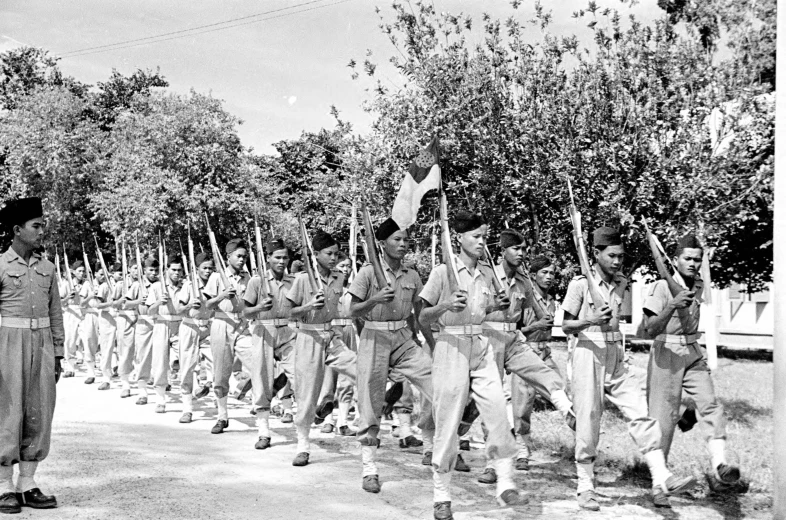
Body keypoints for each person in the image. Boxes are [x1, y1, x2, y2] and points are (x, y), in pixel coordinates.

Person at [561, 226, 696, 511]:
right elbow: (566, 326)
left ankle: (662, 476)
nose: (617, 261)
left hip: (615, 355)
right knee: (589, 420)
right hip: (588, 351)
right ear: (596, 254)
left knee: (639, 412)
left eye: (621, 256)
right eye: (611, 255)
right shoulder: (580, 284)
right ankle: (585, 487)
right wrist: (591, 319)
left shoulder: (622, 281)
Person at [419, 210, 520, 520]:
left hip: (480, 344)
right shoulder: (442, 272)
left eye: (484, 236)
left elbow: (482, 308)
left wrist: (495, 306)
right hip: (450, 346)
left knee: (497, 410)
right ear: (458, 238)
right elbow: (423, 317)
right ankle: (442, 494)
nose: (481, 241)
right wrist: (446, 305)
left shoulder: (487, 273)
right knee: (448, 422)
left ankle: (505, 482)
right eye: (476, 236)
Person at [643, 233, 741, 502]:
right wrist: (673, 304)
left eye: (697, 260)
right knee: (663, 420)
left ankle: (720, 465)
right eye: (687, 259)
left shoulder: (698, 284)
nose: (693, 264)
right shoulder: (661, 286)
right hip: (666, 353)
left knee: (710, 404)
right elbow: (648, 329)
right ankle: (659, 484)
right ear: (675, 260)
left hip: (693, 353)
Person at [474, 231, 574, 485]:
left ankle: (567, 409)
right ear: (502, 250)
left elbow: (536, 310)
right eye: (516, 248)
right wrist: (492, 307)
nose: (521, 253)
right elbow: (472, 311)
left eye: (524, 249)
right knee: (491, 400)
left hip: (514, 338)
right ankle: (491, 463)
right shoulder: (486, 275)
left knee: (541, 370)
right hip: (489, 339)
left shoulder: (524, 281)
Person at [348, 217, 434, 494]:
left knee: (436, 382)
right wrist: (374, 300)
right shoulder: (367, 273)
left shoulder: (412, 275)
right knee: (370, 403)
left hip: (404, 338)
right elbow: (352, 310)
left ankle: (433, 446)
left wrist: (431, 342)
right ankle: (369, 467)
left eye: (406, 239)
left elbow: (420, 314)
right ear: (382, 243)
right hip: (374, 337)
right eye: (396, 239)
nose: (402, 244)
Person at [0, 197, 64, 513]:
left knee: (39, 412)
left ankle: (27, 483)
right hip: (7, 346)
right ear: (16, 230)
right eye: (36, 226)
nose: (41, 232)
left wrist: (59, 353)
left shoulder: (48, 268)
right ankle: (3, 487)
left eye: (42, 226)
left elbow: (56, 313)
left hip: (42, 346)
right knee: (8, 414)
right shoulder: (0, 266)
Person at [286, 229, 357, 467]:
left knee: (359, 367)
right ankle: (303, 444)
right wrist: (308, 305)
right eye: (329, 254)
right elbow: (288, 311)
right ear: (316, 254)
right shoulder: (303, 279)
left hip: (332, 335)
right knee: (306, 393)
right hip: (309, 337)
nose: (334, 258)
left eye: (337, 254)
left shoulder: (338, 277)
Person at [509, 254, 566, 471]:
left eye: (552, 273)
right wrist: (536, 326)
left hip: (546, 353)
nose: (549, 277)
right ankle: (522, 451)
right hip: (525, 352)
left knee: (560, 391)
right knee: (522, 406)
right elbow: (515, 330)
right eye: (544, 272)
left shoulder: (551, 300)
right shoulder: (525, 298)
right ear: (533, 275)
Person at [242, 239, 297, 448]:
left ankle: (297, 418)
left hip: (288, 331)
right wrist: (259, 308)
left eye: (285, 257)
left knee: (298, 372)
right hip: (263, 329)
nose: (282, 261)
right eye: (277, 257)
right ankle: (264, 431)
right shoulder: (257, 282)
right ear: (268, 258)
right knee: (262, 379)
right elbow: (245, 312)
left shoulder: (293, 281)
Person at [203, 238, 252, 434]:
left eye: (244, 257)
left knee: (256, 358)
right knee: (221, 373)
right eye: (238, 256)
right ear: (228, 257)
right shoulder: (216, 277)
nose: (241, 260)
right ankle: (222, 416)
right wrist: (222, 295)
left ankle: (242, 387)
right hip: (221, 323)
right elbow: (208, 305)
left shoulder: (248, 278)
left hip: (241, 324)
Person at [314, 251, 357, 436]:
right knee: (328, 377)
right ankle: (328, 419)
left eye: (348, 266)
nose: (346, 270)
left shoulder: (354, 289)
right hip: (332, 331)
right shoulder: (326, 286)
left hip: (349, 330)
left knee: (347, 379)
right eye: (342, 266)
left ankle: (343, 422)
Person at [146, 255, 188, 413]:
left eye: (179, 270)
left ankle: (186, 397)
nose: (177, 273)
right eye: (173, 270)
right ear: (167, 270)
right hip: (161, 324)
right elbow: (150, 311)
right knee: (159, 362)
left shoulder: (185, 286)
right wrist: (159, 302)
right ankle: (160, 398)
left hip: (180, 324)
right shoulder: (157, 287)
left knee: (186, 360)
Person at [177, 252, 215, 423]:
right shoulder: (188, 286)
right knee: (187, 367)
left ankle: (209, 387)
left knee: (217, 360)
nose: (207, 271)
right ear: (197, 269)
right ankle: (187, 409)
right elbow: (178, 309)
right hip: (190, 326)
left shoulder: (216, 284)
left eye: (210, 268)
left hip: (209, 327)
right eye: (204, 268)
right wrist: (189, 305)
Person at [129, 257, 159, 403]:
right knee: (143, 356)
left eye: (155, 270)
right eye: (150, 270)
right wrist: (138, 301)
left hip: (160, 322)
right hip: (143, 322)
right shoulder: (137, 285)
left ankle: (161, 385)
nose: (153, 273)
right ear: (144, 271)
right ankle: (142, 390)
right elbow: (126, 303)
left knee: (161, 356)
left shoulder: (161, 285)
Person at [95, 262, 124, 391]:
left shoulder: (125, 285)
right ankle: (106, 378)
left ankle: (124, 377)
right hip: (107, 318)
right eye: (120, 273)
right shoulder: (105, 286)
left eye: (124, 273)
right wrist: (112, 303)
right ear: (112, 274)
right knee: (107, 348)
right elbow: (98, 304)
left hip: (121, 317)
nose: (122, 276)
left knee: (124, 347)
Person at [77, 265, 103, 384]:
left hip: (105, 314)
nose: (103, 276)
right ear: (95, 273)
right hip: (90, 315)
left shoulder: (108, 283)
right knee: (89, 341)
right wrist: (91, 296)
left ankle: (109, 369)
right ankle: (91, 372)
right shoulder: (88, 285)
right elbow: (82, 303)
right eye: (100, 274)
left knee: (106, 342)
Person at [59, 260, 85, 378]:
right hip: (71, 312)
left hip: (84, 312)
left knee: (86, 338)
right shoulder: (66, 284)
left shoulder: (86, 283)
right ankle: (70, 367)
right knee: (70, 340)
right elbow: (59, 302)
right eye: (79, 271)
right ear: (73, 272)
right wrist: (67, 298)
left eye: (83, 271)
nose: (82, 273)